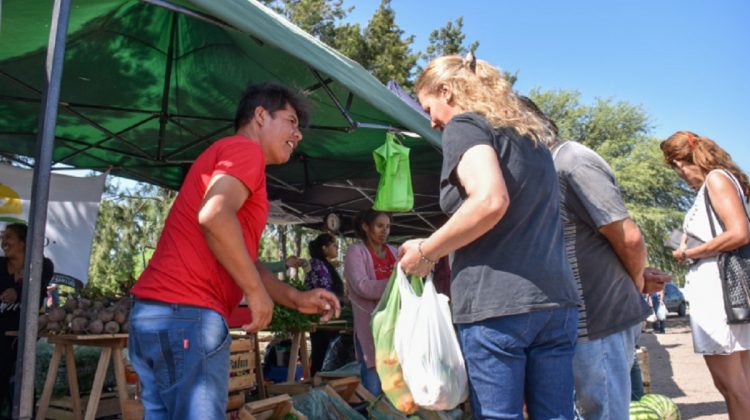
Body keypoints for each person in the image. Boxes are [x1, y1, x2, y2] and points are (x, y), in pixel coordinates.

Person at [128, 83, 340, 419]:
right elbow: (213, 215)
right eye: (291, 121)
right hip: (188, 314)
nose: (297, 135)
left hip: (154, 315)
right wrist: (256, 294)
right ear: (260, 116)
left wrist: (294, 298)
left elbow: (242, 256)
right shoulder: (245, 151)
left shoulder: (228, 155)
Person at [399, 53, 580, 419]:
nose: (431, 121)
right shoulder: (529, 137)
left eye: (428, 107)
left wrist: (426, 251)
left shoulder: (465, 125)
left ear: (447, 91)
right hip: (556, 305)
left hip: (498, 306)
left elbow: (490, 200)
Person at [522, 95, 671, 419]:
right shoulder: (549, 168)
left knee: (601, 412)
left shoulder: (572, 161)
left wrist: (634, 283)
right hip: (577, 323)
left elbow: (629, 238)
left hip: (599, 322)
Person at [660, 131, 750, 419]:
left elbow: (739, 233)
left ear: (685, 160)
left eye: (677, 166)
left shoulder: (716, 179)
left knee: (731, 386)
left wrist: (689, 253)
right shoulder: (725, 180)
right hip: (725, 289)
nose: (680, 175)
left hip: (719, 291)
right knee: (742, 384)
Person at [0, 223, 54, 414]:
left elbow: (38, 286)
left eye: (9, 237)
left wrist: (17, 292)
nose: (3, 242)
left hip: (24, 333)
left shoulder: (42, 265)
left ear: (23, 242)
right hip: (1, 333)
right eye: (2, 237)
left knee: (22, 380)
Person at [343, 209, 396, 396]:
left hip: (396, 329)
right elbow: (362, 287)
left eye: (388, 226)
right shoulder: (356, 252)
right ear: (366, 227)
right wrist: (396, 285)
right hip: (371, 329)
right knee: (373, 387)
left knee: (397, 387)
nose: (385, 231)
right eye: (380, 226)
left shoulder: (395, 252)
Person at [304, 232, 344, 376]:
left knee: (327, 351)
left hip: (330, 314)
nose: (337, 249)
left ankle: (323, 378)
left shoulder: (324, 264)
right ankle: (316, 380)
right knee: (321, 351)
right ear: (324, 248)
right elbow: (322, 290)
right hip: (322, 315)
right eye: (334, 246)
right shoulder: (317, 264)